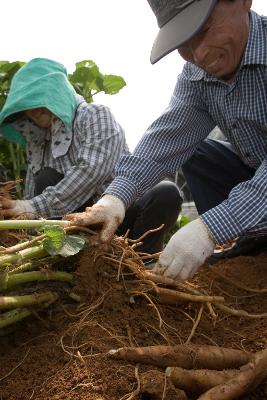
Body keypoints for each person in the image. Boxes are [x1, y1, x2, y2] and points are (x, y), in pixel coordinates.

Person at [65, 0, 267, 281]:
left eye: (205, 29)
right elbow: (167, 138)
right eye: (183, 43)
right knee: (197, 154)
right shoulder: (197, 76)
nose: (198, 54)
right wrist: (114, 197)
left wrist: (211, 228)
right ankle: (256, 244)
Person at [0, 57, 182, 254]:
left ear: (57, 93)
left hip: (117, 213)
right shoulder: (39, 143)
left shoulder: (95, 115)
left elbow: (90, 172)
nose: (32, 111)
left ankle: (139, 258)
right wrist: (21, 220)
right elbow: (31, 196)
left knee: (167, 193)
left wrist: (32, 206)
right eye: (27, 107)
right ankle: (65, 256)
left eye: (37, 101)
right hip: (74, 227)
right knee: (45, 177)